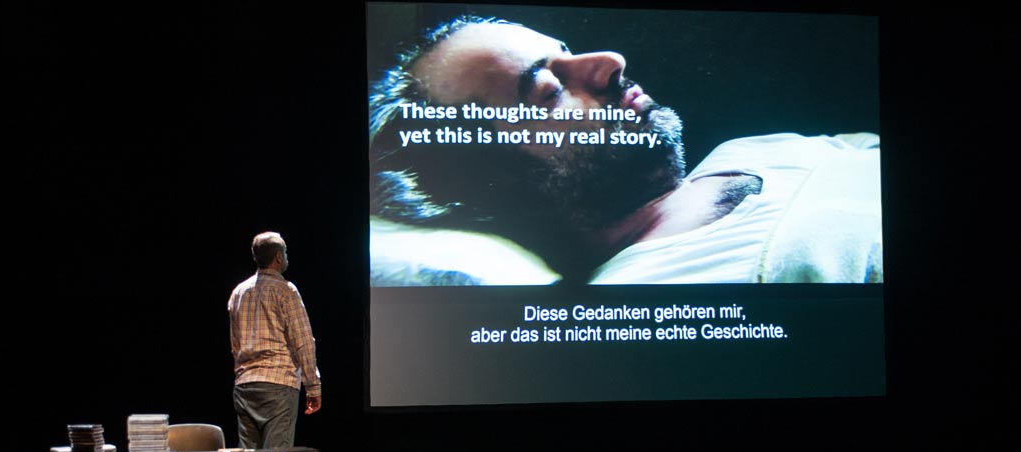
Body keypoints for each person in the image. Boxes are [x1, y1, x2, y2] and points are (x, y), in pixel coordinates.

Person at [369, 16, 882, 285]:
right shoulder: (653, 299)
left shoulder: (754, 149)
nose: (610, 61)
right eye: (549, 89)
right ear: (498, 184)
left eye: (565, 53)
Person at [228, 231, 322, 452]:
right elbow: (302, 340)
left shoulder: (239, 292)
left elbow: (235, 344)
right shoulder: (286, 290)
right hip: (278, 384)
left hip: (245, 384)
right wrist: (313, 386)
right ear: (278, 258)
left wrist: (244, 373)